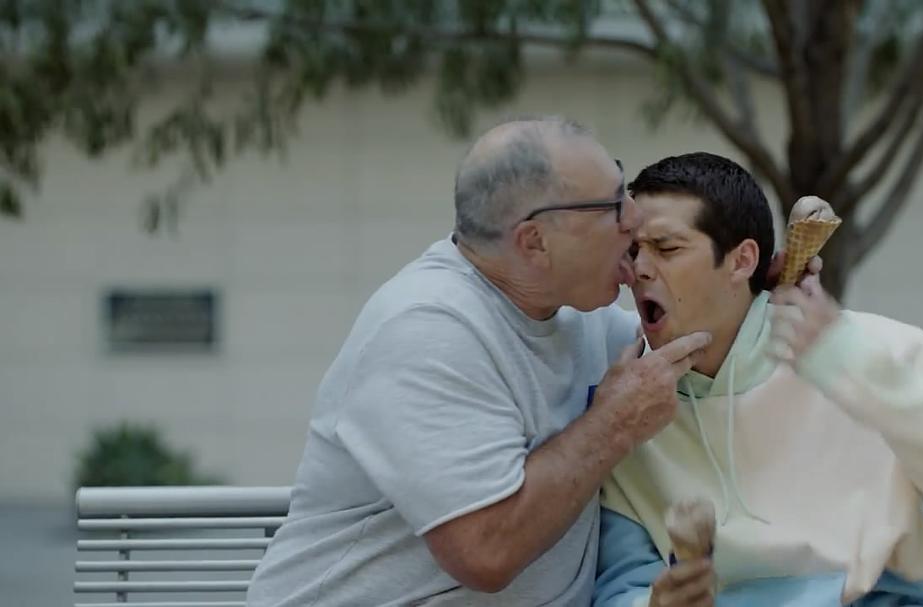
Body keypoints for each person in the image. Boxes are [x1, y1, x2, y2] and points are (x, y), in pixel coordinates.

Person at [246, 117, 824, 606]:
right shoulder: (427, 330)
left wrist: (752, 291)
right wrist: (614, 422)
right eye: (611, 206)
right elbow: (486, 550)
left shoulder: (577, 315)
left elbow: (698, 349)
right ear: (535, 242)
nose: (632, 219)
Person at [593, 152, 923, 607]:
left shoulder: (862, 350)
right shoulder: (630, 411)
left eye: (667, 248)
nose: (639, 270)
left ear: (742, 261)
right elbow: (623, 587)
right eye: (633, 250)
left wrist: (853, 368)